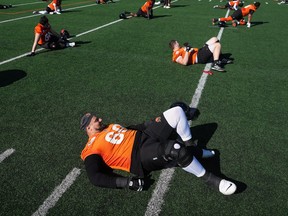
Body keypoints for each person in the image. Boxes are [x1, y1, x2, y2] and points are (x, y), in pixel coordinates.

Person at [80, 102, 237, 195]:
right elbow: (95, 177)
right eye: (96, 120)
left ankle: (191, 149)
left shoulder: (109, 126)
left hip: (145, 135)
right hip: (139, 155)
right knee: (174, 148)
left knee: (176, 111)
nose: (100, 119)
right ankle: (210, 179)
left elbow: (131, 129)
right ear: (89, 128)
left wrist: (151, 123)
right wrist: (126, 183)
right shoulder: (90, 148)